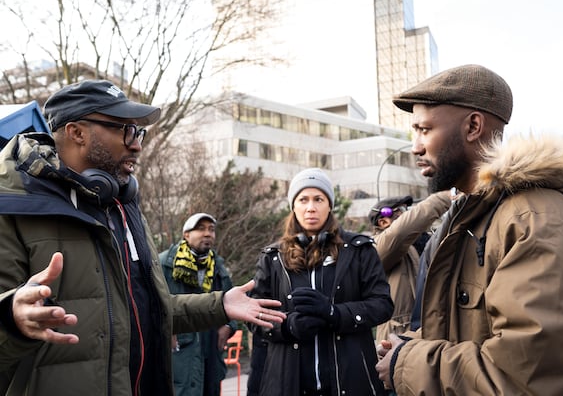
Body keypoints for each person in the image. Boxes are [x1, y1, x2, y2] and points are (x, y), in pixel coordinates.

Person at [0, 79, 285, 396]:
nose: (136, 144)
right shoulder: (11, 207)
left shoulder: (122, 208)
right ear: (77, 133)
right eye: (125, 130)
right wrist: (11, 320)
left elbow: (140, 313)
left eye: (138, 132)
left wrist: (220, 304)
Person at [375, 64, 563, 395]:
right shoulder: (471, 217)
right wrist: (408, 344)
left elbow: (535, 379)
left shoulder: (535, 219)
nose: (415, 147)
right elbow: (474, 332)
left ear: (473, 126)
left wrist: (408, 362)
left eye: (424, 129)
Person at [249, 167, 393, 396]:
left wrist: (336, 313)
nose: (310, 207)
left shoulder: (359, 250)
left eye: (318, 199)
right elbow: (254, 315)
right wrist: (287, 326)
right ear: (293, 206)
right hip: (287, 383)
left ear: (330, 205)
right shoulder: (272, 257)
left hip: (351, 381)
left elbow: (382, 304)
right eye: (303, 199)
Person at [160, 213, 236, 396]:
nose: (207, 233)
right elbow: (153, 305)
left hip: (210, 351)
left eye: (211, 229)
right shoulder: (165, 264)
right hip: (179, 355)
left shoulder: (218, 267)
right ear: (186, 234)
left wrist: (228, 325)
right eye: (200, 229)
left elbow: (231, 302)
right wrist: (166, 328)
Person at [369, 193, 451, 345]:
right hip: (398, 340)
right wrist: (443, 198)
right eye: (400, 211)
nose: (408, 214)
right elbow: (400, 232)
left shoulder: (422, 242)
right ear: (383, 222)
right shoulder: (377, 247)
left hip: (432, 332)